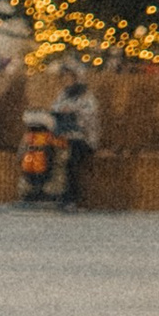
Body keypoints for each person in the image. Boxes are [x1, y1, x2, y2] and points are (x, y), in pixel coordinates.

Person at [44, 63, 100, 210]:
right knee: (44, 149)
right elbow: (54, 110)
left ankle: (70, 197)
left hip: (83, 138)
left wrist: (74, 111)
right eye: (65, 78)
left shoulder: (87, 96)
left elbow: (91, 116)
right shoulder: (63, 95)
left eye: (70, 77)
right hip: (64, 136)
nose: (67, 80)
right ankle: (48, 190)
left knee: (71, 158)